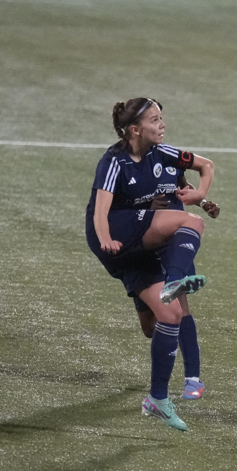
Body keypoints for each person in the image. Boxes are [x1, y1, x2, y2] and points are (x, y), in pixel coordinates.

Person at [85, 97, 214, 432]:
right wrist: (105, 239)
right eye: (155, 120)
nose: (162, 124)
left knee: (164, 318)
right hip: (114, 233)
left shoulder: (165, 154)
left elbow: (204, 166)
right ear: (134, 129)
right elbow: (100, 212)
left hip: (139, 245)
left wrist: (200, 195)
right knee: (193, 224)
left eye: (161, 118)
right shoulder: (114, 161)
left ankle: (157, 399)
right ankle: (174, 281)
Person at [131, 177, 220, 402]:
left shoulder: (170, 159)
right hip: (140, 246)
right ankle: (167, 353)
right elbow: (117, 205)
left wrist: (203, 203)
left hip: (173, 244)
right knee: (150, 328)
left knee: (180, 308)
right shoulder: (127, 165)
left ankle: (193, 379)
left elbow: (184, 188)